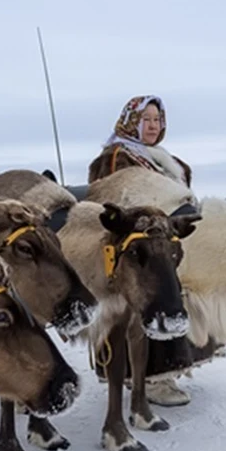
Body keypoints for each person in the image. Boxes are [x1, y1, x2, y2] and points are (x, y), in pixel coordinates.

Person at [87, 95, 204, 406]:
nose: (154, 125)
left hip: (166, 246)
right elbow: (114, 197)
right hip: (137, 249)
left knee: (172, 298)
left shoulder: (167, 159)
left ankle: (169, 371)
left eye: (157, 120)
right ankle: (148, 379)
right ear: (131, 121)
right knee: (145, 305)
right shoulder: (117, 156)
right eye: (147, 119)